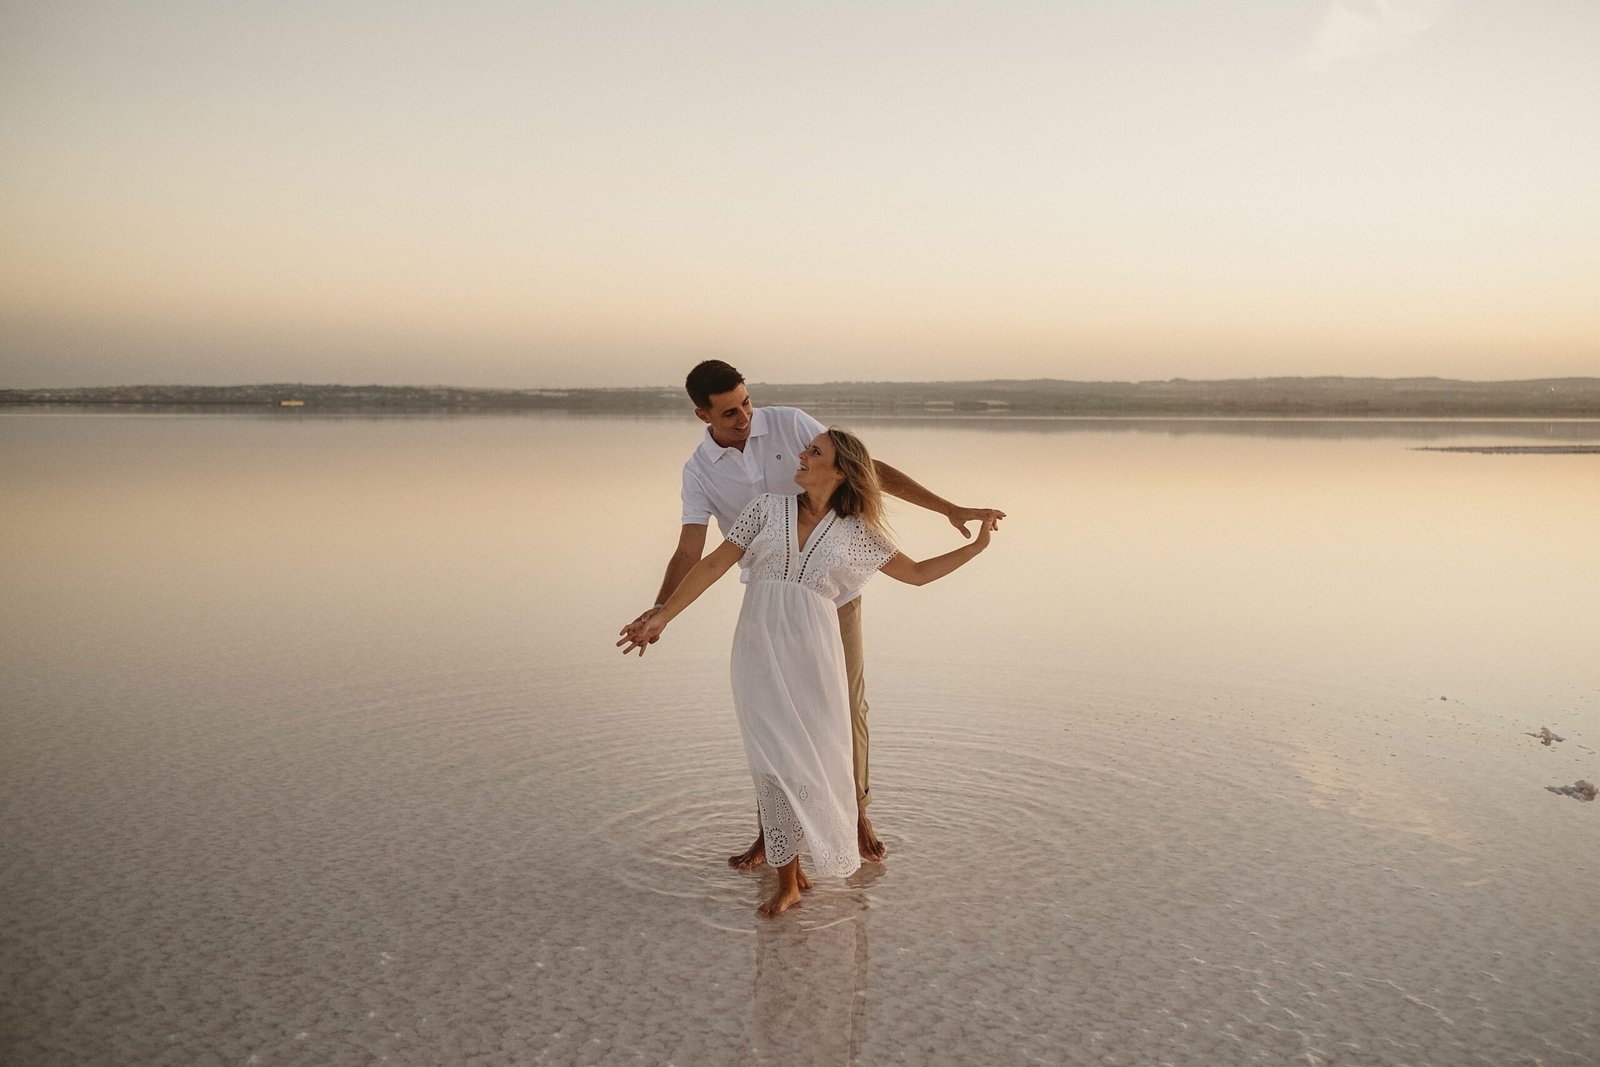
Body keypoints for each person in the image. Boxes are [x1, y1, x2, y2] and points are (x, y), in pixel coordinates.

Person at [621, 360, 1005, 865]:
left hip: (830, 596)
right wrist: (660, 611)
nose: (746, 417)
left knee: (844, 708)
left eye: (747, 401)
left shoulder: (792, 424)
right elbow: (694, 553)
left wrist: (948, 509)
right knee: (771, 719)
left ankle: (855, 811)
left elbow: (869, 471)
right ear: (702, 414)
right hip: (767, 601)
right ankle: (776, 835)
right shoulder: (699, 472)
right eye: (731, 412)